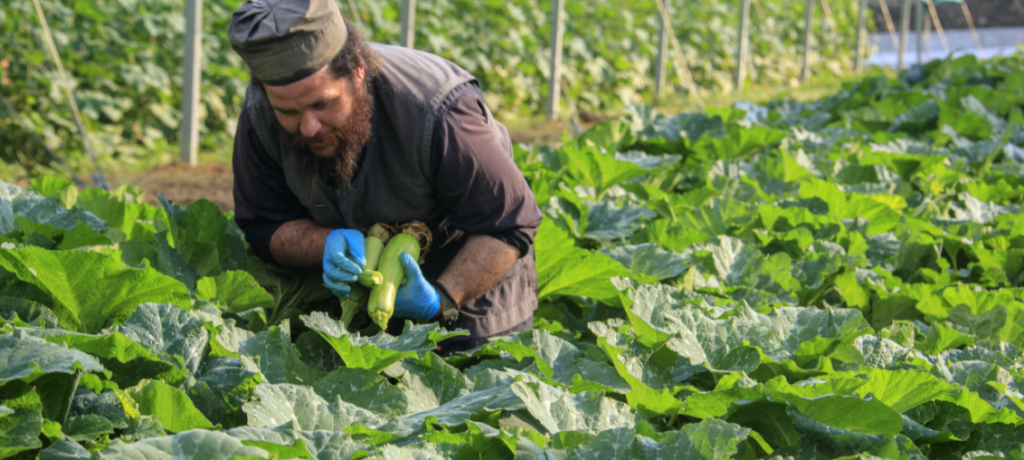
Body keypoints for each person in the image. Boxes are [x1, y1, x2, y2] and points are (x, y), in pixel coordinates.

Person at [227, 0, 543, 354]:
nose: (308, 127)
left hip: (471, 297)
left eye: (322, 104)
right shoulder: (260, 115)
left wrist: (442, 296)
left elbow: (510, 225)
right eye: (288, 111)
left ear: (357, 72)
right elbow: (262, 224)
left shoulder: (436, 109)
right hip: (352, 308)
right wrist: (326, 243)